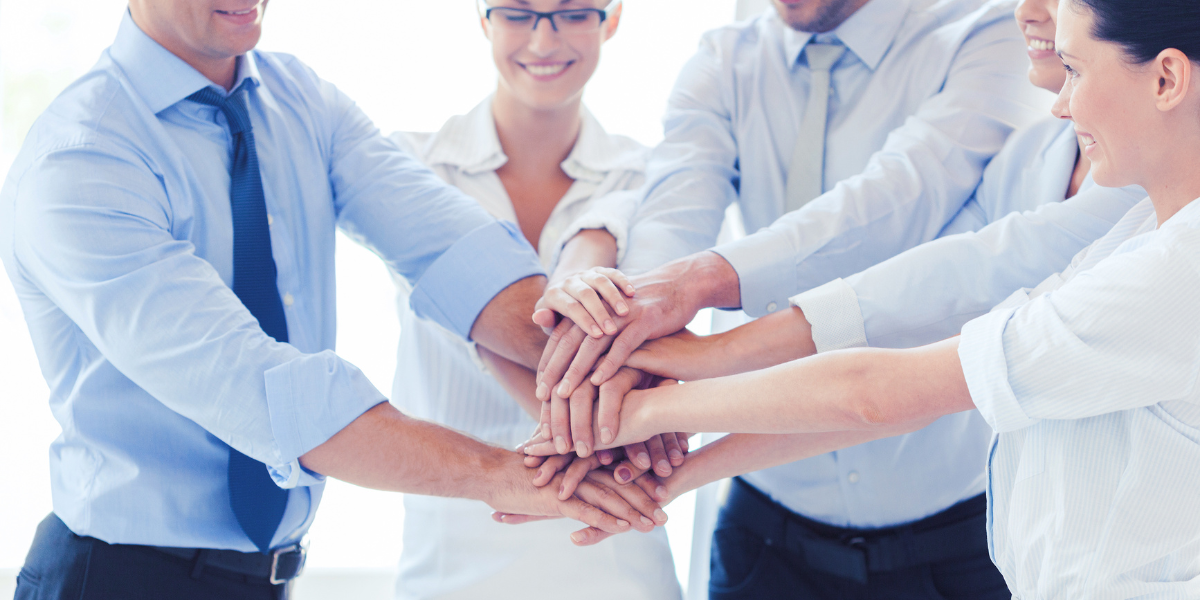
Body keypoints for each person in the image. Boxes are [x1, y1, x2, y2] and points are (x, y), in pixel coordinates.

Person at [527, 0, 1200, 595]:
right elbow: (944, 310)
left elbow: (890, 365)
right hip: (773, 526)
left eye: (1077, 70)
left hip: (955, 537)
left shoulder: (1156, 247)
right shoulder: (1100, 198)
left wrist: (643, 405)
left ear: (1165, 77)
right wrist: (648, 383)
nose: (1060, 100)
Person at [0, 2, 664, 599]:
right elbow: (264, 388)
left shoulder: (301, 101)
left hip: (269, 578)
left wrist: (611, 402)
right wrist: (507, 473)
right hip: (117, 580)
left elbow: (458, 257)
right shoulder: (82, 159)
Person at [386, 1, 678, 598]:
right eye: (519, 14)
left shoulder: (648, 177)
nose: (544, 41)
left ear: (612, 17)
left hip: (615, 554)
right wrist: (584, 443)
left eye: (572, 14)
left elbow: (653, 355)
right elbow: (470, 315)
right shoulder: (412, 164)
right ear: (482, 17)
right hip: (456, 552)